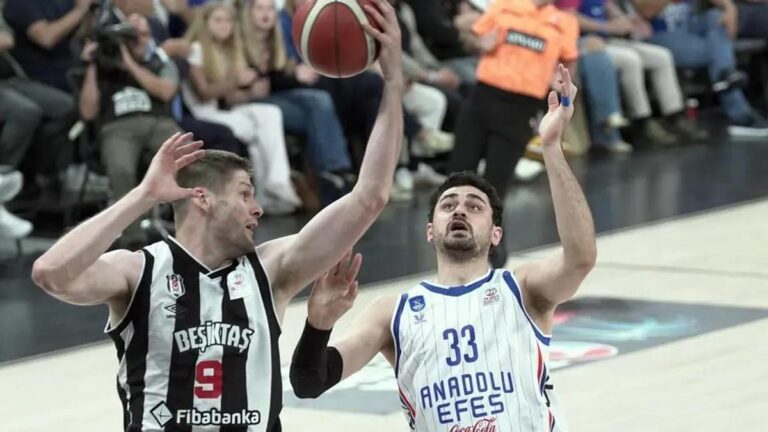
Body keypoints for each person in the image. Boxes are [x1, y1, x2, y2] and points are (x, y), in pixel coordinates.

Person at [30, 1, 403, 430]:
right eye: (244, 194)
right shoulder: (139, 271)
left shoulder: (271, 270)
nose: (257, 208)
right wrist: (142, 196)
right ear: (202, 198)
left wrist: (393, 83)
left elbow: (370, 196)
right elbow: (50, 274)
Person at [289, 65, 596, 432]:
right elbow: (309, 383)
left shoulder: (522, 289)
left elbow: (580, 258)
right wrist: (318, 325)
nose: (460, 210)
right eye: (449, 205)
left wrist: (551, 147)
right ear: (430, 231)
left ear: (496, 234)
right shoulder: (392, 312)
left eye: (475, 206)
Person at [449, 0, 580, 267]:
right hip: (483, 97)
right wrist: (478, 43)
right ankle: (452, 247)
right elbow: (471, 37)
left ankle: (494, 253)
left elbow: (569, 63)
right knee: (458, 177)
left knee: (496, 183)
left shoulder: (565, 22)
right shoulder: (505, 4)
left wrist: (562, 88)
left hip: (521, 108)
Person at [182, 2, 301, 214]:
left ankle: (277, 182)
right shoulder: (197, 49)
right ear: (205, 23)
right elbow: (204, 93)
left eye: (228, 21)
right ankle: (265, 191)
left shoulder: (228, 50)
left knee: (270, 113)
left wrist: (249, 90)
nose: (224, 25)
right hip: (202, 113)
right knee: (256, 131)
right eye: (218, 20)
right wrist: (236, 81)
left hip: (224, 109)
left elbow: (230, 97)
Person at [239, 0, 357, 204]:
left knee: (319, 100)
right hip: (247, 101)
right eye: (259, 9)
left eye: (270, 9)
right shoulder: (240, 40)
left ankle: (335, 170)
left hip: (273, 95)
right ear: (249, 13)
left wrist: (292, 75)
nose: (265, 14)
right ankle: (330, 173)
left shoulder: (274, 40)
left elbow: (277, 77)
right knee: (316, 111)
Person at [79, 13, 182, 248]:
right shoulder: (102, 67)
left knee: (188, 156)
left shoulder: (161, 62)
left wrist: (129, 63)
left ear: (150, 37)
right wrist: (91, 65)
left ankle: (194, 228)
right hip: (118, 127)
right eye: (130, 36)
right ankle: (133, 239)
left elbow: (166, 91)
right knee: (120, 167)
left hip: (157, 122)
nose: (137, 40)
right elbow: (88, 112)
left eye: (142, 35)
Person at [634, 0, 768, 136]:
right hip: (662, 34)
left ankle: (725, 77)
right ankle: (739, 111)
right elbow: (646, 10)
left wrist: (729, 7)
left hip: (691, 27)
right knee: (718, 53)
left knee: (715, 16)